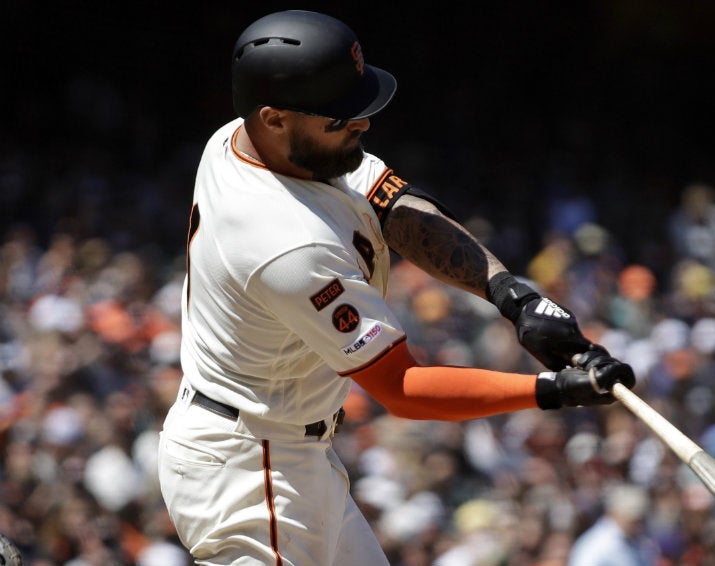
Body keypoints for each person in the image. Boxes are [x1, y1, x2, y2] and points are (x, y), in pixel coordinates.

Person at [157, 9, 635, 566]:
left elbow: (396, 208)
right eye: (340, 118)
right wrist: (552, 389)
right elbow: (402, 389)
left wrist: (514, 296)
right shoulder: (286, 242)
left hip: (284, 450)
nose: (360, 125)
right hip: (246, 469)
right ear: (275, 117)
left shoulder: (248, 140)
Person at [567, 483, 660, 566]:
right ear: (614, 512)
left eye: (640, 518)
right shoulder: (597, 543)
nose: (638, 523)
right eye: (633, 518)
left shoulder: (638, 541)